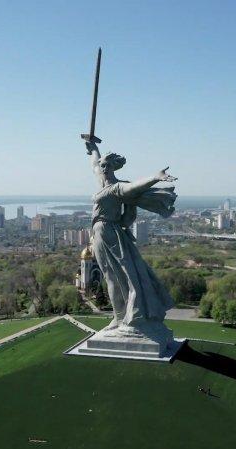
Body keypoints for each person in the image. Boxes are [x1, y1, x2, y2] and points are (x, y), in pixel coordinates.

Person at [84, 141, 178, 342]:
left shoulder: (118, 187)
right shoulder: (102, 180)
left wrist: (154, 177)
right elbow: (93, 165)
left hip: (108, 232)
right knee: (111, 275)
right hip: (100, 233)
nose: (102, 167)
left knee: (120, 276)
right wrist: (93, 148)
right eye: (102, 164)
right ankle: (119, 317)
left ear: (113, 167)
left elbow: (134, 188)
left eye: (106, 164)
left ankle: (125, 318)